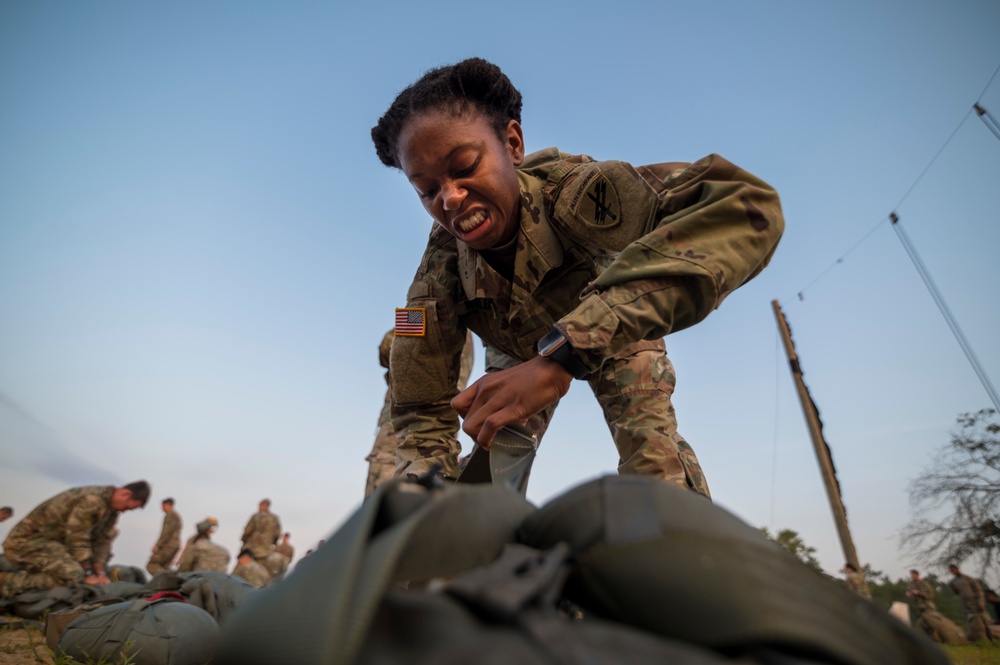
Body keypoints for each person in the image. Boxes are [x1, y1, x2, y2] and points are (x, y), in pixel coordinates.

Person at [370, 57, 784, 493]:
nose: (449, 200)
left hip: (612, 323)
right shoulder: (430, 284)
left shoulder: (577, 193)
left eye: (466, 167)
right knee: (484, 475)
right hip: (515, 352)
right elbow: (417, 404)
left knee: (652, 459)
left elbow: (745, 204)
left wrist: (566, 353)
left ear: (512, 144)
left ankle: (681, 553)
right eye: (428, 190)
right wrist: (422, 494)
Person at [364, 328, 476, 497]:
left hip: (402, 427)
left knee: (385, 507)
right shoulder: (465, 335)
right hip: (439, 433)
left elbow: (386, 348)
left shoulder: (431, 311)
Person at [0, 481, 150, 597]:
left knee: (87, 577)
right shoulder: (93, 500)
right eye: (127, 507)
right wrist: (88, 574)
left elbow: (101, 543)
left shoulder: (111, 512)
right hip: (25, 544)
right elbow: (77, 538)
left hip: (52, 547)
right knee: (75, 575)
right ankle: (8, 582)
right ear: (125, 494)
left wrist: (100, 573)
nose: (124, 511)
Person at [948, 563, 994, 642]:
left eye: (954, 569)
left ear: (957, 569)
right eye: (951, 571)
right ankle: (977, 639)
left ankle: (993, 636)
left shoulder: (968, 579)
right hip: (966, 605)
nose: (953, 572)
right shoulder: (953, 582)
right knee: (971, 621)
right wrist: (954, 588)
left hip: (975, 602)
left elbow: (978, 591)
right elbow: (957, 593)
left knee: (984, 620)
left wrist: (981, 602)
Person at [146, 497, 182, 575]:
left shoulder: (170, 515)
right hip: (175, 545)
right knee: (164, 567)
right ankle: (166, 584)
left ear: (168, 505)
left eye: (163, 506)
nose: (162, 508)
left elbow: (166, 533)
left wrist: (157, 545)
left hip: (168, 545)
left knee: (151, 564)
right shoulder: (176, 516)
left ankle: (168, 580)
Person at [241, 499, 281, 565]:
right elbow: (277, 534)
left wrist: (243, 540)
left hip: (251, 550)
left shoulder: (255, 517)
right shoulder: (274, 518)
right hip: (266, 550)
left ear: (262, 505)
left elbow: (247, 531)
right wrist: (272, 543)